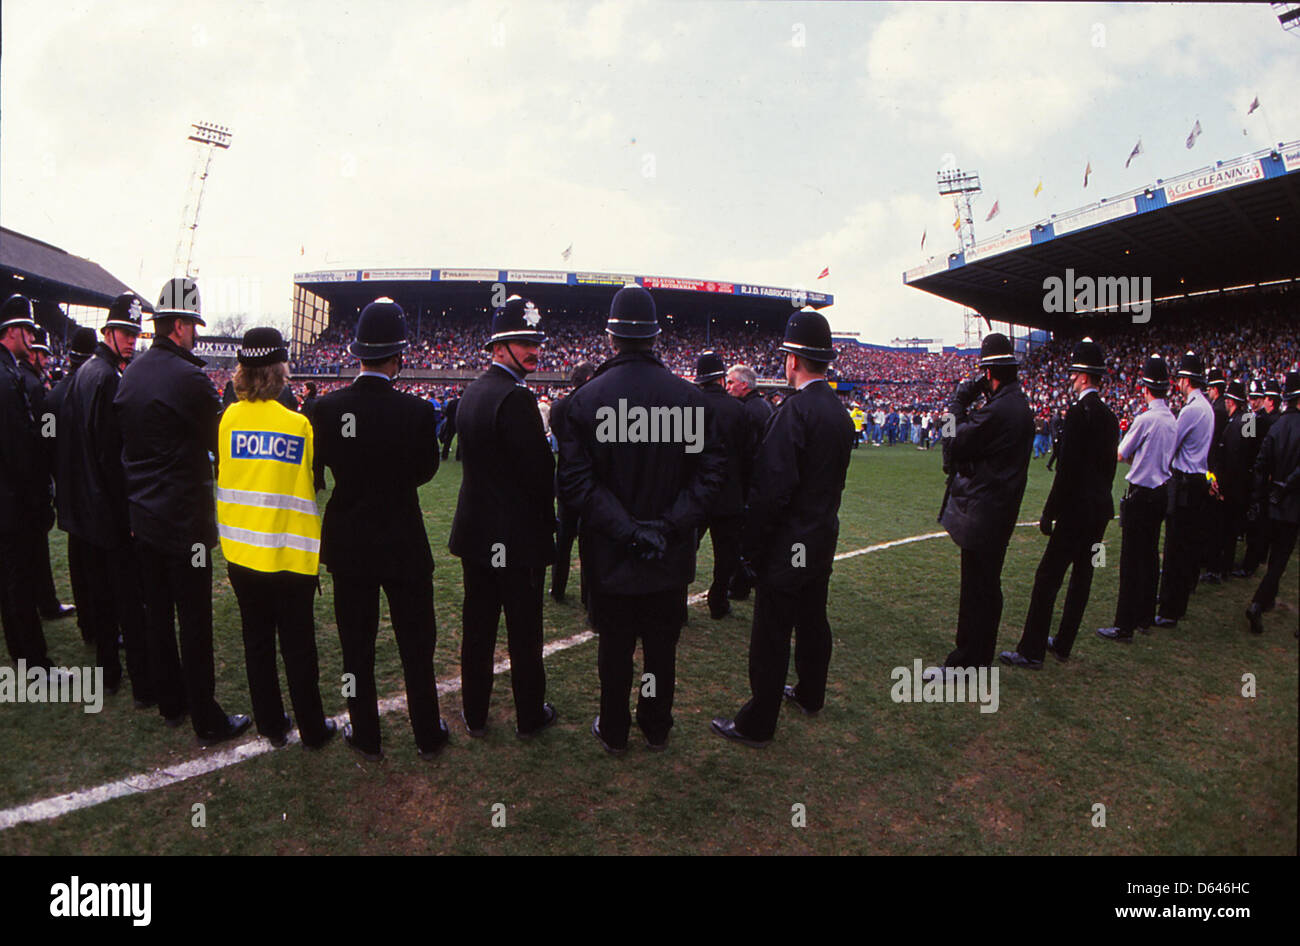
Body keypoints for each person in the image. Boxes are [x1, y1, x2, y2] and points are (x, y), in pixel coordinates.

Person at [558, 285, 725, 754]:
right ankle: (654, 724)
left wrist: (627, 530)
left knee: (614, 649)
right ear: (655, 337)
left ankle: (614, 729)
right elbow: (710, 476)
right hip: (666, 554)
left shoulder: (584, 401)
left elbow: (577, 485)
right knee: (659, 650)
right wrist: (667, 528)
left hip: (612, 553)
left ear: (611, 338)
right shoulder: (688, 400)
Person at [114, 278, 250, 744]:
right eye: (192, 324)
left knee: (158, 617)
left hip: (143, 518)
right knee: (194, 622)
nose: (195, 333)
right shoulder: (189, 378)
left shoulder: (130, 372)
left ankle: (171, 702)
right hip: (184, 523)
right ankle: (207, 719)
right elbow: (218, 443)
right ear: (177, 325)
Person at [312, 297, 448, 761]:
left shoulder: (325, 409)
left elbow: (319, 469)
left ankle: (366, 735)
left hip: (349, 544)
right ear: (398, 356)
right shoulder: (414, 411)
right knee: (416, 646)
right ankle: (428, 732)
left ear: (357, 353)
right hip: (403, 542)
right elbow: (426, 470)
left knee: (356, 648)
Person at [711, 308, 855, 748]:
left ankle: (758, 722)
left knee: (772, 632)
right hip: (820, 537)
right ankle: (811, 693)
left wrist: (750, 551)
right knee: (813, 620)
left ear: (792, 360)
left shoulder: (794, 412)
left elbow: (772, 492)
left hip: (789, 542)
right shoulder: (839, 412)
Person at [217, 327, 335, 750]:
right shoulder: (298, 424)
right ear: (280, 369)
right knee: (299, 648)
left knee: (257, 644)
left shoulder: (228, 417)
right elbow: (304, 479)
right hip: (288, 554)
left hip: (242, 554)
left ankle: (270, 723)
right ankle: (313, 729)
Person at [449, 295, 558, 740]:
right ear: (498, 348)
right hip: (514, 540)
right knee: (523, 634)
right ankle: (530, 715)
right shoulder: (515, 399)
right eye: (522, 342)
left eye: (536, 341)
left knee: (477, 630)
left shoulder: (474, 390)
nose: (533, 350)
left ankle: (475, 715)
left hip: (476, 535)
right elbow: (539, 475)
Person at [57, 297, 155, 704]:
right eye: (126, 333)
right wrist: (125, 511)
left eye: (135, 333)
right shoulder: (108, 377)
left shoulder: (85, 372)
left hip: (86, 507)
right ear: (108, 333)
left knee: (101, 597)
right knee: (128, 600)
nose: (131, 341)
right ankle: (143, 685)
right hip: (107, 509)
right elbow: (112, 456)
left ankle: (109, 674)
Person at [1001, 339, 1117, 667]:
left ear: (1083, 376)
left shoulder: (1078, 414)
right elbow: (1108, 469)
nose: (1071, 378)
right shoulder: (1109, 416)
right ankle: (1064, 642)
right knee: (1083, 579)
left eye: (1074, 373)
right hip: (1099, 511)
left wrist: (1049, 512)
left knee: (1047, 579)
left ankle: (1031, 650)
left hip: (1075, 513)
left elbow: (1066, 472)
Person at [930, 332, 1034, 671]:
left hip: (984, 511)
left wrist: (956, 406)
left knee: (977, 589)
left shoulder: (1000, 409)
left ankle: (967, 661)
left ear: (989, 374)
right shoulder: (1017, 404)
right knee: (987, 587)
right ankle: (979, 658)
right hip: (1001, 509)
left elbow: (951, 443)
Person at [1097, 355, 1177, 642]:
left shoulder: (1145, 418)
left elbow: (1120, 453)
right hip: (1161, 492)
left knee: (1131, 561)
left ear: (1145, 388)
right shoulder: (1172, 419)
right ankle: (1144, 617)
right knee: (1150, 557)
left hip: (1141, 493)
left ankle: (1123, 626)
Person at [0, 294, 55, 669]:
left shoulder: (8, 370)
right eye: (28, 331)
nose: (31, 340)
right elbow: (20, 447)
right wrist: (39, 495)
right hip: (12, 499)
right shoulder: (8, 378)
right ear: (16, 331)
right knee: (18, 581)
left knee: (10, 583)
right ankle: (34, 664)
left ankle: (22, 656)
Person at [1152, 351, 1215, 628]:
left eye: (1180, 379)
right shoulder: (1207, 408)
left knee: (1175, 546)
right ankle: (1177, 601)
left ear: (1187, 381)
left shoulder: (1191, 410)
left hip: (1185, 481)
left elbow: (1171, 444)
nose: (1177, 383)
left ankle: (1169, 608)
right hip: (1198, 480)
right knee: (1186, 545)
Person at [693, 350, 753, 620]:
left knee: (685, 549)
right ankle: (718, 601)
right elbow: (748, 456)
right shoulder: (739, 410)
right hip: (729, 494)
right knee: (725, 554)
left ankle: (675, 606)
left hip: (693, 494)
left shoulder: (688, 406)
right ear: (720, 378)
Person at [48, 325, 97, 645]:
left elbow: (47, 447)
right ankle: (100, 626)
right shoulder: (92, 388)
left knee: (78, 561)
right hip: (92, 493)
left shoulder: (53, 394)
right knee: (98, 567)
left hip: (67, 491)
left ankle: (87, 625)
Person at [1245, 371, 1300, 635]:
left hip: (1272, 505)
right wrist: (1285, 487)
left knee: (1272, 559)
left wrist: (1263, 494)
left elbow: (1259, 465)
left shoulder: (1276, 426)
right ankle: (1257, 603)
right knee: (1279, 562)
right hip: (1292, 506)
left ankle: (1264, 601)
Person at [725, 363, 773, 602]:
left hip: (748, 485)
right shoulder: (763, 407)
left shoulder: (749, 411)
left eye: (731, 382)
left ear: (744, 385)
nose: (728, 386)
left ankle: (740, 585)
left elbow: (747, 454)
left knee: (740, 539)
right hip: (760, 484)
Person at [549, 361, 596, 603]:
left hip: (566, 480)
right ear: (589, 379)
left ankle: (557, 588)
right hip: (589, 482)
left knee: (563, 541)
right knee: (589, 544)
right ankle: (588, 597)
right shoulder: (595, 406)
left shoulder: (558, 407)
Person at [1217, 380, 1258, 579]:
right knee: (1231, 530)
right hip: (1242, 484)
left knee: (1226, 529)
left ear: (1231, 402)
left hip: (1232, 485)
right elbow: (1249, 454)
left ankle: (1222, 567)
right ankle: (1226, 565)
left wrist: (1224, 487)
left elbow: (1237, 457)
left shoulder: (1235, 423)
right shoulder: (1248, 419)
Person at [1199, 368, 1229, 583]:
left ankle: (1215, 565)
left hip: (1217, 472)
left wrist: (1212, 477)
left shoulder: (1217, 411)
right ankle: (1219, 564)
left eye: (1209, 388)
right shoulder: (1243, 415)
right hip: (1229, 472)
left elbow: (1214, 448)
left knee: (1215, 521)